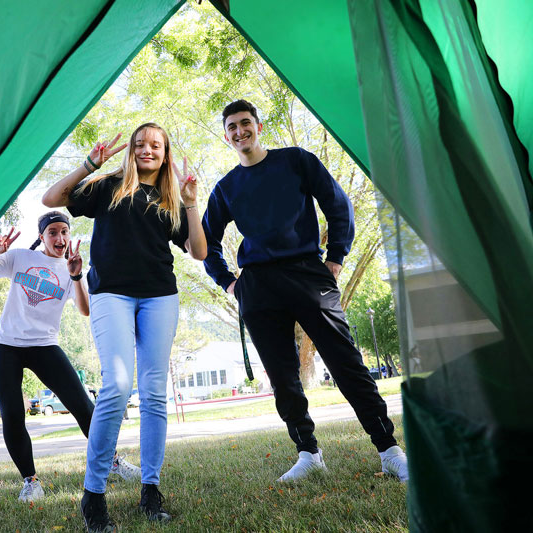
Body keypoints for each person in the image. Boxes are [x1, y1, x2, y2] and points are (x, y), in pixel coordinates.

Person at [202, 99, 408, 484]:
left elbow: (337, 203)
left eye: (245, 123)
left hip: (308, 273)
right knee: (283, 378)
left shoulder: (296, 160)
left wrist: (336, 258)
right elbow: (206, 241)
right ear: (226, 135)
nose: (239, 131)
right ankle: (308, 453)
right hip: (258, 286)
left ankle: (390, 451)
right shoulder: (226, 187)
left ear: (258, 126)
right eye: (231, 126)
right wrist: (229, 282)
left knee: (347, 363)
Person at [42, 123, 207, 532]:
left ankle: (150, 489)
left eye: (156, 145)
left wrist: (191, 202)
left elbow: (199, 251)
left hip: (159, 297)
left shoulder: (170, 199)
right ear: (130, 150)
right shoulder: (109, 185)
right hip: (111, 294)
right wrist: (88, 164)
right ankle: (93, 495)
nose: (147, 149)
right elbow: (52, 198)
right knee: (116, 383)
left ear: (166, 153)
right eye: (140, 144)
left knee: (153, 392)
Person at [0, 212, 140, 503]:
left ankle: (112, 462)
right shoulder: (20, 258)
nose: (59, 238)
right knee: (12, 415)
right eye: (52, 232)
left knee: (83, 406)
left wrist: (75, 276)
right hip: (7, 346)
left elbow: (85, 310)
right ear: (42, 237)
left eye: (64, 231)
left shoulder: (70, 268)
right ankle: (30, 480)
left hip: (44, 346)